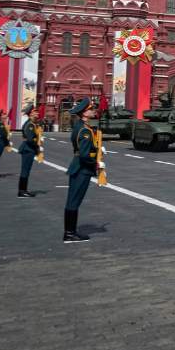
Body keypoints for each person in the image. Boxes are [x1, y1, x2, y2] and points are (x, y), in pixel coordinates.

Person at [64, 98, 101, 243]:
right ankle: (70, 233)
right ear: (84, 113)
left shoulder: (82, 127)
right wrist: (96, 162)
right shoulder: (84, 130)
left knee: (73, 200)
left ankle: (70, 232)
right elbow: (85, 154)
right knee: (74, 201)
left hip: (78, 167)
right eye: (91, 109)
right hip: (82, 169)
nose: (93, 111)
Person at [17, 103, 42, 198]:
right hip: (28, 149)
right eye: (35, 112)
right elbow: (31, 139)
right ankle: (22, 191)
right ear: (30, 114)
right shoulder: (30, 125)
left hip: (29, 149)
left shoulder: (33, 124)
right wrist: (37, 146)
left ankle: (23, 190)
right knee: (25, 170)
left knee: (26, 170)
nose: (37, 113)